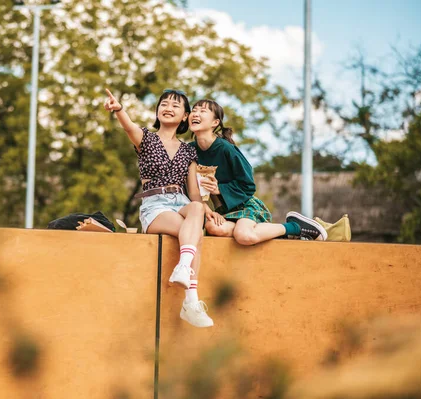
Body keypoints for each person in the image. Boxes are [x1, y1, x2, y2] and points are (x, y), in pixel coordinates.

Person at [104, 88, 213, 328]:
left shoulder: (189, 150)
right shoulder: (146, 138)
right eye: (164, 103)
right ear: (157, 111)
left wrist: (208, 209)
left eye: (176, 105)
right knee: (196, 235)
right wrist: (119, 109)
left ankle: (183, 268)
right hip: (155, 205)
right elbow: (129, 127)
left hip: (182, 201)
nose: (168, 107)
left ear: (185, 116)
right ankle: (191, 301)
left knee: (197, 208)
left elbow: (194, 193)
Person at [188, 99, 327, 243]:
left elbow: (248, 185)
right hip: (222, 212)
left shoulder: (226, 149)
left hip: (246, 206)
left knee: (244, 236)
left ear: (215, 122)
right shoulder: (189, 151)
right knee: (214, 228)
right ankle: (268, 232)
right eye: (194, 110)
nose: (196, 114)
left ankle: (295, 227)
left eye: (202, 111)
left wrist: (219, 189)